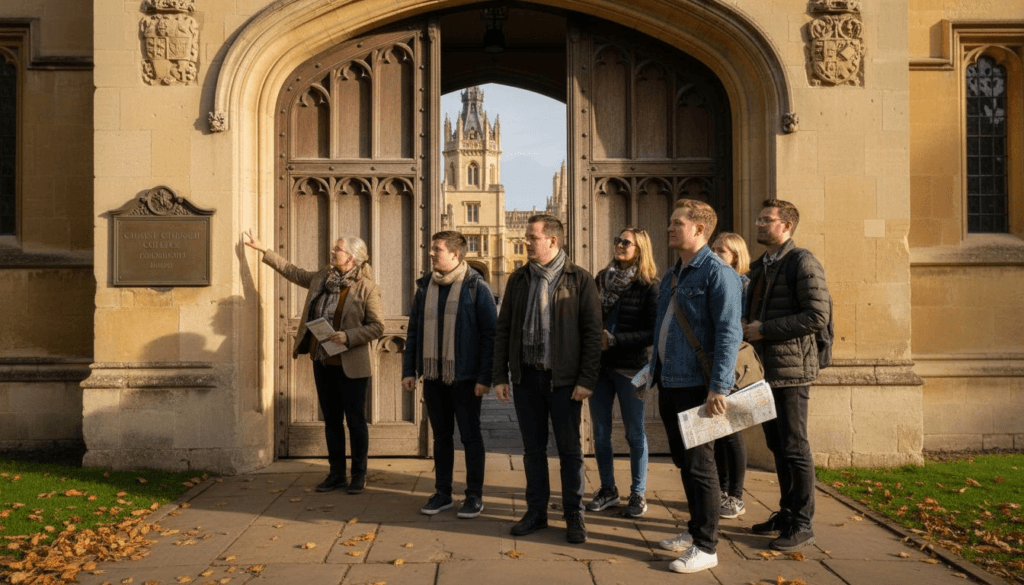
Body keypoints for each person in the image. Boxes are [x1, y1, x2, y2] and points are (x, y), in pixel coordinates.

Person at [243, 229, 384, 494]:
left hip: (352, 366)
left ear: (352, 258)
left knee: (355, 421)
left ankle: (359, 474)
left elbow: (377, 327)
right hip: (323, 362)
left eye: (338, 249)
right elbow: (295, 273)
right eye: (334, 248)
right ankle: (336, 474)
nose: (333, 252)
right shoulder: (322, 277)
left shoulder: (367, 288)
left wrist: (348, 336)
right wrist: (264, 250)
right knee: (331, 420)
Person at [492, 214, 602, 544]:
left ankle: (574, 516)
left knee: (570, 452)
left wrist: (586, 378)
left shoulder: (580, 279)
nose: (526, 242)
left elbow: (593, 334)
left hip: (565, 380)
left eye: (531, 237)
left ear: (552, 241)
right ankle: (536, 512)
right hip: (528, 377)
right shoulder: (519, 279)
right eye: (525, 237)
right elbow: (504, 329)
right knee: (533, 451)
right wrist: (500, 374)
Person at [650, 199, 743, 574]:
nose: (669, 228)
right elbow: (665, 327)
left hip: (698, 387)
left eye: (676, 223)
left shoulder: (718, 273)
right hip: (670, 381)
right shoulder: (676, 273)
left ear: (699, 229)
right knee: (685, 463)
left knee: (701, 466)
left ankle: (707, 546)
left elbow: (729, 332)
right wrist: (650, 370)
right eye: (670, 221)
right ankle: (695, 530)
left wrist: (719, 387)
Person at [743, 199, 830, 552]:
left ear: (787, 226)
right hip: (764, 370)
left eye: (768, 220)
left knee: (795, 446)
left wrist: (765, 329)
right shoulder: (760, 265)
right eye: (760, 218)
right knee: (778, 446)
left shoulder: (802, 261)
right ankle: (787, 512)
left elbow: (816, 316)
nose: (760, 224)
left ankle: (803, 523)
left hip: (792, 371)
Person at [402, 231, 497, 519]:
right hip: (433, 377)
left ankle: (474, 495)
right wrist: (409, 369)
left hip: (465, 377)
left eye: (437, 250)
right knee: (441, 437)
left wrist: (485, 378)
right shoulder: (424, 288)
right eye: (432, 249)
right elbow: (414, 331)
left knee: (470, 437)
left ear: (455, 255)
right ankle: (443, 492)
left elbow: (490, 336)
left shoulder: (476, 287)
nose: (431, 254)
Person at [586, 227, 659, 518]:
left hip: (633, 368)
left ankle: (638, 493)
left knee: (634, 431)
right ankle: (608, 489)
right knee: (601, 433)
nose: (619, 245)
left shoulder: (649, 285)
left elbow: (652, 332)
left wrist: (616, 340)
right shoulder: (602, 279)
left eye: (625, 242)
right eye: (617, 240)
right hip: (600, 367)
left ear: (639, 248)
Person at [710, 232, 751, 520]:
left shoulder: (743, 283)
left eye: (721, 251)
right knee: (718, 432)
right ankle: (722, 491)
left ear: (735, 256)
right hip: (713, 363)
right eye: (712, 249)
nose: (714, 254)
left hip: (736, 367)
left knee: (732, 432)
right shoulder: (715, 279)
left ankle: (735, 495)